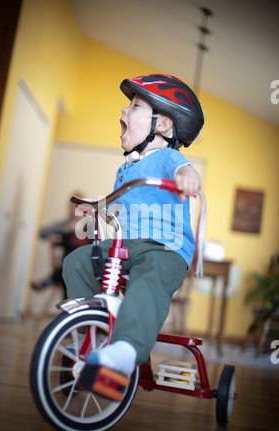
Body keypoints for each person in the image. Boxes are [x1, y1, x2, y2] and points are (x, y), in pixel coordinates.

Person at [62, 74, 204, 399]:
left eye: (136, 105)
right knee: (79, 260)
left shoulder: (166, 157)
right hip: (127, 245)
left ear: (163, 124)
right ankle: (91, 336)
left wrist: (188, 178)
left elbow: (184, 168)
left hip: (165, 249)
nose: (124, 112)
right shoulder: (125, 169)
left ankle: (123, 352)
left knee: (149, 281)